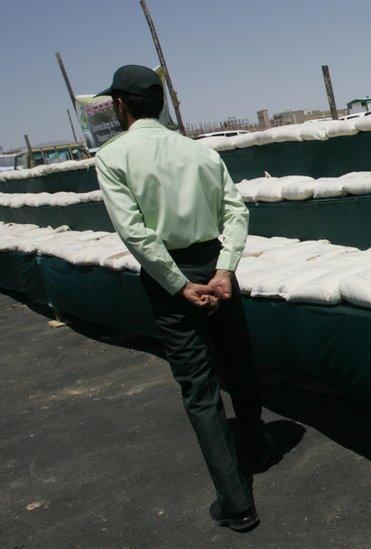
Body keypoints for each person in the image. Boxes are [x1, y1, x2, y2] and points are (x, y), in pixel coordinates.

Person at [94, 65, 269, 531]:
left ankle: (237, 503)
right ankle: (257, 450)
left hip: (171, 279)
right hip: (215, 267)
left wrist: (180, 285)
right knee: (239, 363)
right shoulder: (201, 153)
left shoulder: (113, 158)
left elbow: (136, 234)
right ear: (162, 104)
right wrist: (224, 270)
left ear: (119, 105)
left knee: (199, 387)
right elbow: (235, 211)